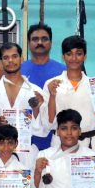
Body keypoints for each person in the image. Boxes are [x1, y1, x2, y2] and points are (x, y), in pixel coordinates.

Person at [41, 35, 95, 158]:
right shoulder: (52, 84)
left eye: (79, 53)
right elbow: (47, 123)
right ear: (63, 57)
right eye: (69, 54)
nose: (74, 58)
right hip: (61, 145)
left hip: (91, 144)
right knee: (60, 177)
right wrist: (52, 95)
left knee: (94, 178)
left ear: (85, 56)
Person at [0, 42, 45, 164]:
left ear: (22, 59)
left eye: (15, 56)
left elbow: (43, 129)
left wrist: (37, 110)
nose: (11, 60)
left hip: (26, 152)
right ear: (0, 61)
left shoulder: (35, 91)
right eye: (5, 57)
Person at [21, 23, 67, 151]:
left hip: (57, 137)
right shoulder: (19, 71)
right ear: (29, 43)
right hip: (25, 138)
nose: (40, 42)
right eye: (35, 39)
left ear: (51, 43)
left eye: (44, 39)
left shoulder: (64, 71)